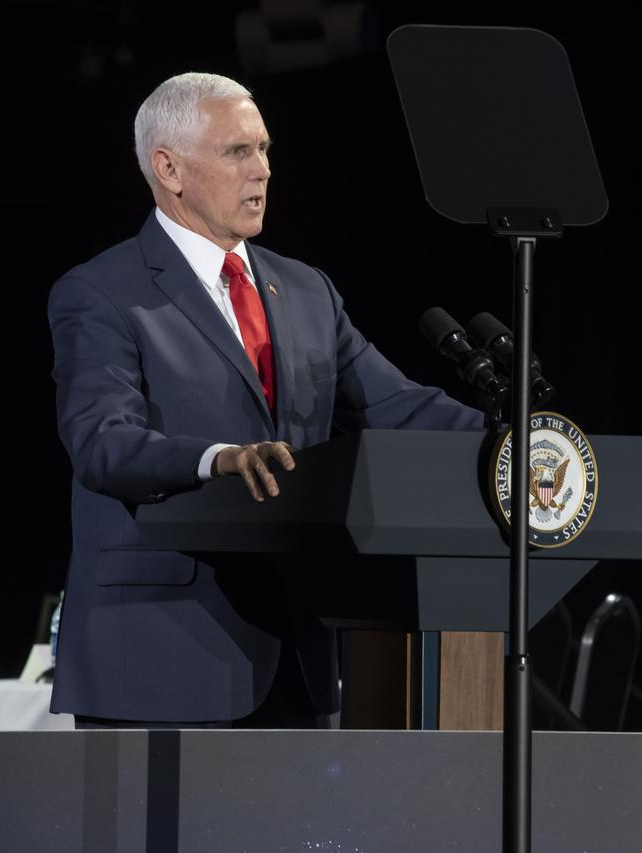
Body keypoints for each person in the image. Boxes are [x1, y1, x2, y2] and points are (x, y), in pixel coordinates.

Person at [48, 72, 481, 729]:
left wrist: (519, 441)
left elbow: (401, 406)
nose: (264, 170)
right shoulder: (102, 292)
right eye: (237, 152)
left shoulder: (306, 291)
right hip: (159, 656)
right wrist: (217, 459)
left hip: (297, 653)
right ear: (169, 168)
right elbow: (101, 442)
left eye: (265, 149)